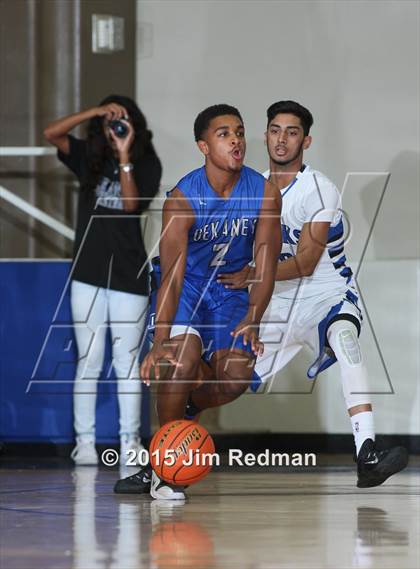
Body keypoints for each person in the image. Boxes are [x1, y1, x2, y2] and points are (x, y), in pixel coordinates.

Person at [218, 100, 408, 488]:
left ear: (306, 140)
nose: (281, 138)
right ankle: (164, 459)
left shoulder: (318, 188)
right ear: (266, 135)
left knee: (346, 340)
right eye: (274, 130)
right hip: (276, 301)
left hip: (326, 294)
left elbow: (305, 263)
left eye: (291, 132)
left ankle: (367, 451)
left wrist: (251, 275)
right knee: (227, 379)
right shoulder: (250, 188)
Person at [114, 104, 281, 499]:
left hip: (227, 292)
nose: (236, 140)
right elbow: (171, 276)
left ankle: (185, 412)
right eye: (224, 134)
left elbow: (266, 264)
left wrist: (254, 316)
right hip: (187, 288)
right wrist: (159, 342)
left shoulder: (264, 191)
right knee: (178, 362)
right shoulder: (183, 197)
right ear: (203, 146)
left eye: (239, 132)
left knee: (237, 377)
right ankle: (163, 470)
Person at [44, 95, 162, 465]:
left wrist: (125, 157)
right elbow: (51, 132)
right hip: (88, 275)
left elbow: (131, 205)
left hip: (128, 275)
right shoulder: (88, 158)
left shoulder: (146, 162)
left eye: (121, 118)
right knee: (89, 360)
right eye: (109, 120)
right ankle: (85, 443)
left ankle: (130, 442)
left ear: (134, 123)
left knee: (127, 362)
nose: (115, 125)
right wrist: (94, 112)